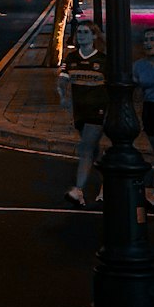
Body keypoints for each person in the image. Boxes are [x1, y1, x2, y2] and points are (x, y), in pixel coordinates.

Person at [58, 21, 107, 207]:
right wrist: (63, 96)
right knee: (94, 151)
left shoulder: (103, 60)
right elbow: (62, 79)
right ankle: (107, 182)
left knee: (86, 148)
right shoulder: (71, 58)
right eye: (79, 32)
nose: (81, 36)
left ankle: (78, 190)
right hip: (79, 112)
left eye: (86, 32)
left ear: (94, 36)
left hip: (97, 111)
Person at [133, 27, 154, 212]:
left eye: (151, 39)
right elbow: (136, 91)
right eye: (145, 40)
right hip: (150, 109)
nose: (147, 43)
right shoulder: (139, 65)